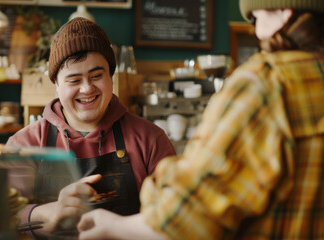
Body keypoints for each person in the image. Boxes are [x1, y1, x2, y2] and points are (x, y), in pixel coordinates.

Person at [77, 0, 324, 239]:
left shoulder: (266, 83)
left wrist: (112, 225)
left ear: (284, 10)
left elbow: (186, 222)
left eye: (257, 18)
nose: (257, 32)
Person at [5, 17, 176, 237]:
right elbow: (3, 216)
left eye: (96, 76)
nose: (87, 89)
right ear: (56, 83)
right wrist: (50, 214)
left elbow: (175, 217)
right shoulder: (24, 144)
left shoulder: (151, 139)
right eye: (74, 80)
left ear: (110, 76)